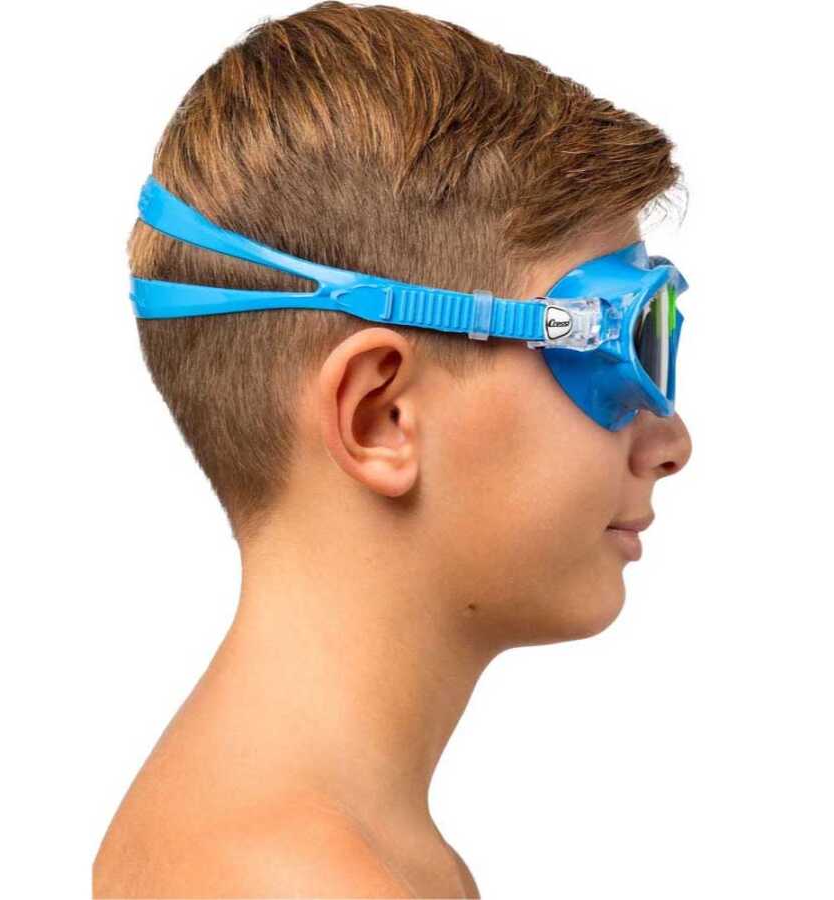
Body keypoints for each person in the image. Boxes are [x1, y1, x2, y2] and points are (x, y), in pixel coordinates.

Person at [93, 2, 693, 896]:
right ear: (381, 416)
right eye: (620, 350)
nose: (671, 442)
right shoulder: (298, 881)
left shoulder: (306, 838)